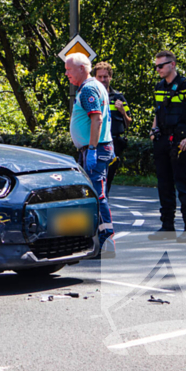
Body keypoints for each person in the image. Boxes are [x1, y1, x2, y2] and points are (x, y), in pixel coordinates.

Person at [148, 50, 186, 243]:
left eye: (160, 66)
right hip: (162, 141)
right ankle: (167, 227)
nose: (158, 69)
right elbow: (158, 110)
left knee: (182, 185)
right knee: (164, 185)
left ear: (172, 64)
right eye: (156, 66)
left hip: (181, 142)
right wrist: (153, 130)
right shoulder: (159, 86)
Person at [64, 53, 115, 257]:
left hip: (95, 148)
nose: (66, 73)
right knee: (93, 194)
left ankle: (106, 242)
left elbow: (97, 119)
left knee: (97, 194)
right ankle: (97, 240)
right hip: (97, 148)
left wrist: (92, 149)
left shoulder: (88, 89)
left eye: (69, 69)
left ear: (82, 68)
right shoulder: (95, 86)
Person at [93, 61, 131, 196]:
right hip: (96, 143)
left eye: (105, 76)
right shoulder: (91, 96)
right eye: (100, 77)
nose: (103, 80)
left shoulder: (118, 97)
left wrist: (123, 111)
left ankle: (104, 206)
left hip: (114, 143)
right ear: (95, 78)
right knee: (97, 180)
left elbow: (129, 122)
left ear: (110, 77)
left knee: (107, 180)